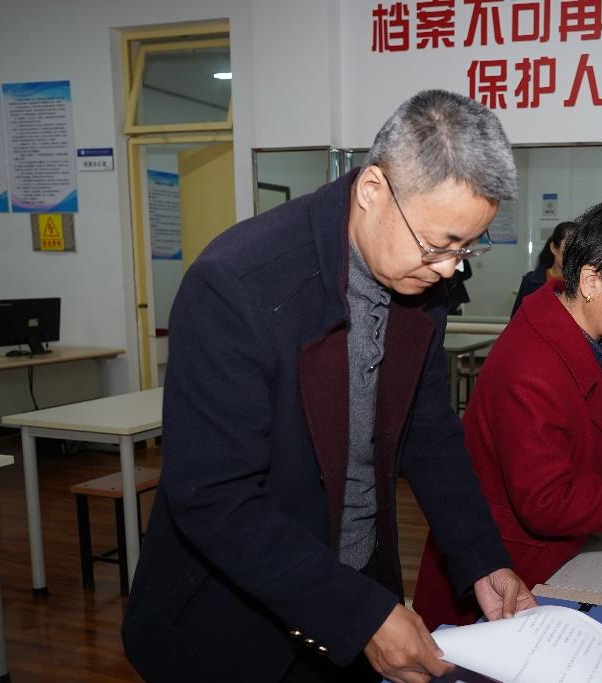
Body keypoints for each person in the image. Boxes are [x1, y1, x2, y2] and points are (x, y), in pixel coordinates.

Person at [122, 90, 536, 683]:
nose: (449, 268)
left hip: (355, 586)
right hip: (239, 614)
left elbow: (427, 431)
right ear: (373, 189)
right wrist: (358, 615)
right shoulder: (237, 283)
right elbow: (214, 495)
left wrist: (482, 558)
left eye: (466, 247)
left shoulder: (421, 282)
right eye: (438, 244)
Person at [412, 199, 602, 629]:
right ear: (592, 281)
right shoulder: (533, 366)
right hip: (505, 581)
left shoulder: (595, 340)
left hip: (556, 559)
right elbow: (546, 502)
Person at [510, 220, 577, 315]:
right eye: (568, 248)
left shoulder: (583, 283)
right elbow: (517, 320)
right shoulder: (531, 281)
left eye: (577, 249)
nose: (572, 255)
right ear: (554, 248)